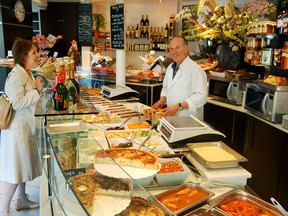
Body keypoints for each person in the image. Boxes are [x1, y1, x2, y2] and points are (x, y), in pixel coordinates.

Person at [0, 38, 44, 216]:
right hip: (16, 132)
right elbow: (17, 103)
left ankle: (21, 199)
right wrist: (37, 91)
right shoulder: (16, 75)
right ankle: (3, 209)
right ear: (23, 55)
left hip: (25, 128)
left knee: (23, 166)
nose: (37, 55)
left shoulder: (26, 72)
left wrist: (37, 90)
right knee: (15, 170)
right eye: (34, 52)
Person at [152, 36, 208, 120]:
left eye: (177, 48)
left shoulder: (196, 69)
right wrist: (163, 99)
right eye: (171, 48)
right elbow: (166, 88)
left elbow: (201, 96)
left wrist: (178, 107)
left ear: (186, 48)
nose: (174, 52)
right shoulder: (170, 67)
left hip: (189, 119)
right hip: (171, 116)